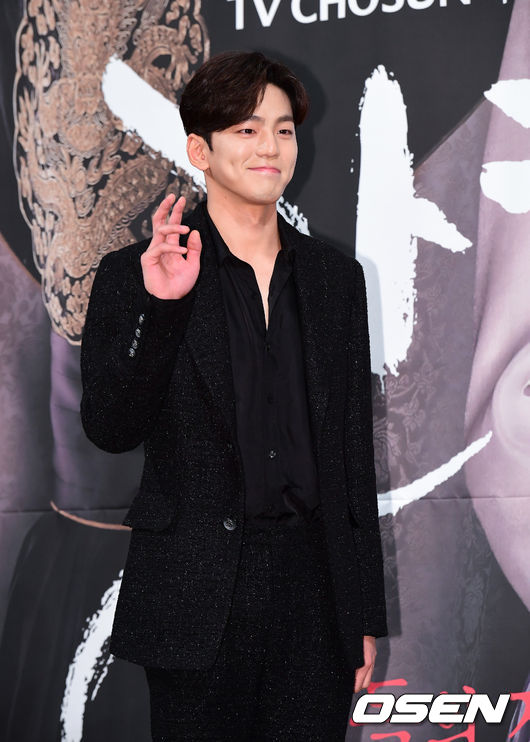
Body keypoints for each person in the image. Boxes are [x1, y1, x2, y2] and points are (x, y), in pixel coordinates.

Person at [80, 50, 387, 741]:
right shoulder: (137, 273)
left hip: (314, 595)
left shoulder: (336, 281)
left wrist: (361, 613)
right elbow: (110, 427)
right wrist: (163, 310)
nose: (269, 147)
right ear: (201, 150)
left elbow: (350, 458)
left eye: (283, 129)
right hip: (196, 595)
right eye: (246, 130)